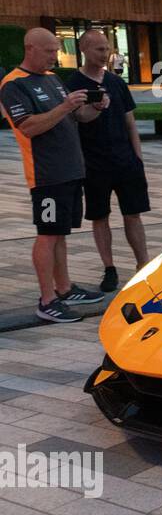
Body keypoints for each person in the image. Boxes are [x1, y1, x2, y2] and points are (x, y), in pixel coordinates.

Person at [0, 28, 106, 322]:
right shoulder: (13, 85)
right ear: (30, 48)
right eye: (49, 51)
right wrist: (64, 105)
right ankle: (47, 300)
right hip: (47, 174)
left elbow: (77, 117)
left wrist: (94, 108)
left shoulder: (51, 78)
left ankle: (64, 287)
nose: (54, 57)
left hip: (71, 170)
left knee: (60, 233)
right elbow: (29, 126)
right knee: (47, 235)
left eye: (56, 50)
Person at [67, 29, 150, 293]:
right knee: (99, 215)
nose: (105, 54)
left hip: (125, 160)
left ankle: (143, 265)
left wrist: (138, 157)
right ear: (84, 50)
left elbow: (130, 122)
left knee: (133, 213)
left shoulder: (116, 82)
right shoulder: (74, 83)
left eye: (107, 49)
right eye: (99, 49)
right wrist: (95, 107)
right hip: (94, 163)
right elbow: (79, 117)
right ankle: (109, 268)